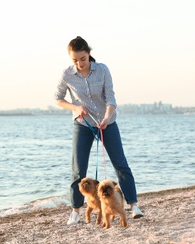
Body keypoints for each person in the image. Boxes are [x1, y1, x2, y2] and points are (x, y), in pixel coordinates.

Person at [54, 36, 144, 225]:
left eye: (82, 59)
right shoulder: (67, 74)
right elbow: (58, 99)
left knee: (120, 164)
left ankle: (134, 205)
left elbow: (111, 98)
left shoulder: (102, 70)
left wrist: (106, 117)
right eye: (74, 60)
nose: (79, 63)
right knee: (78, 170)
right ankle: (75, 212)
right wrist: (76, 108)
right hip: (83, 124)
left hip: (107, 123)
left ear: (89, 54)